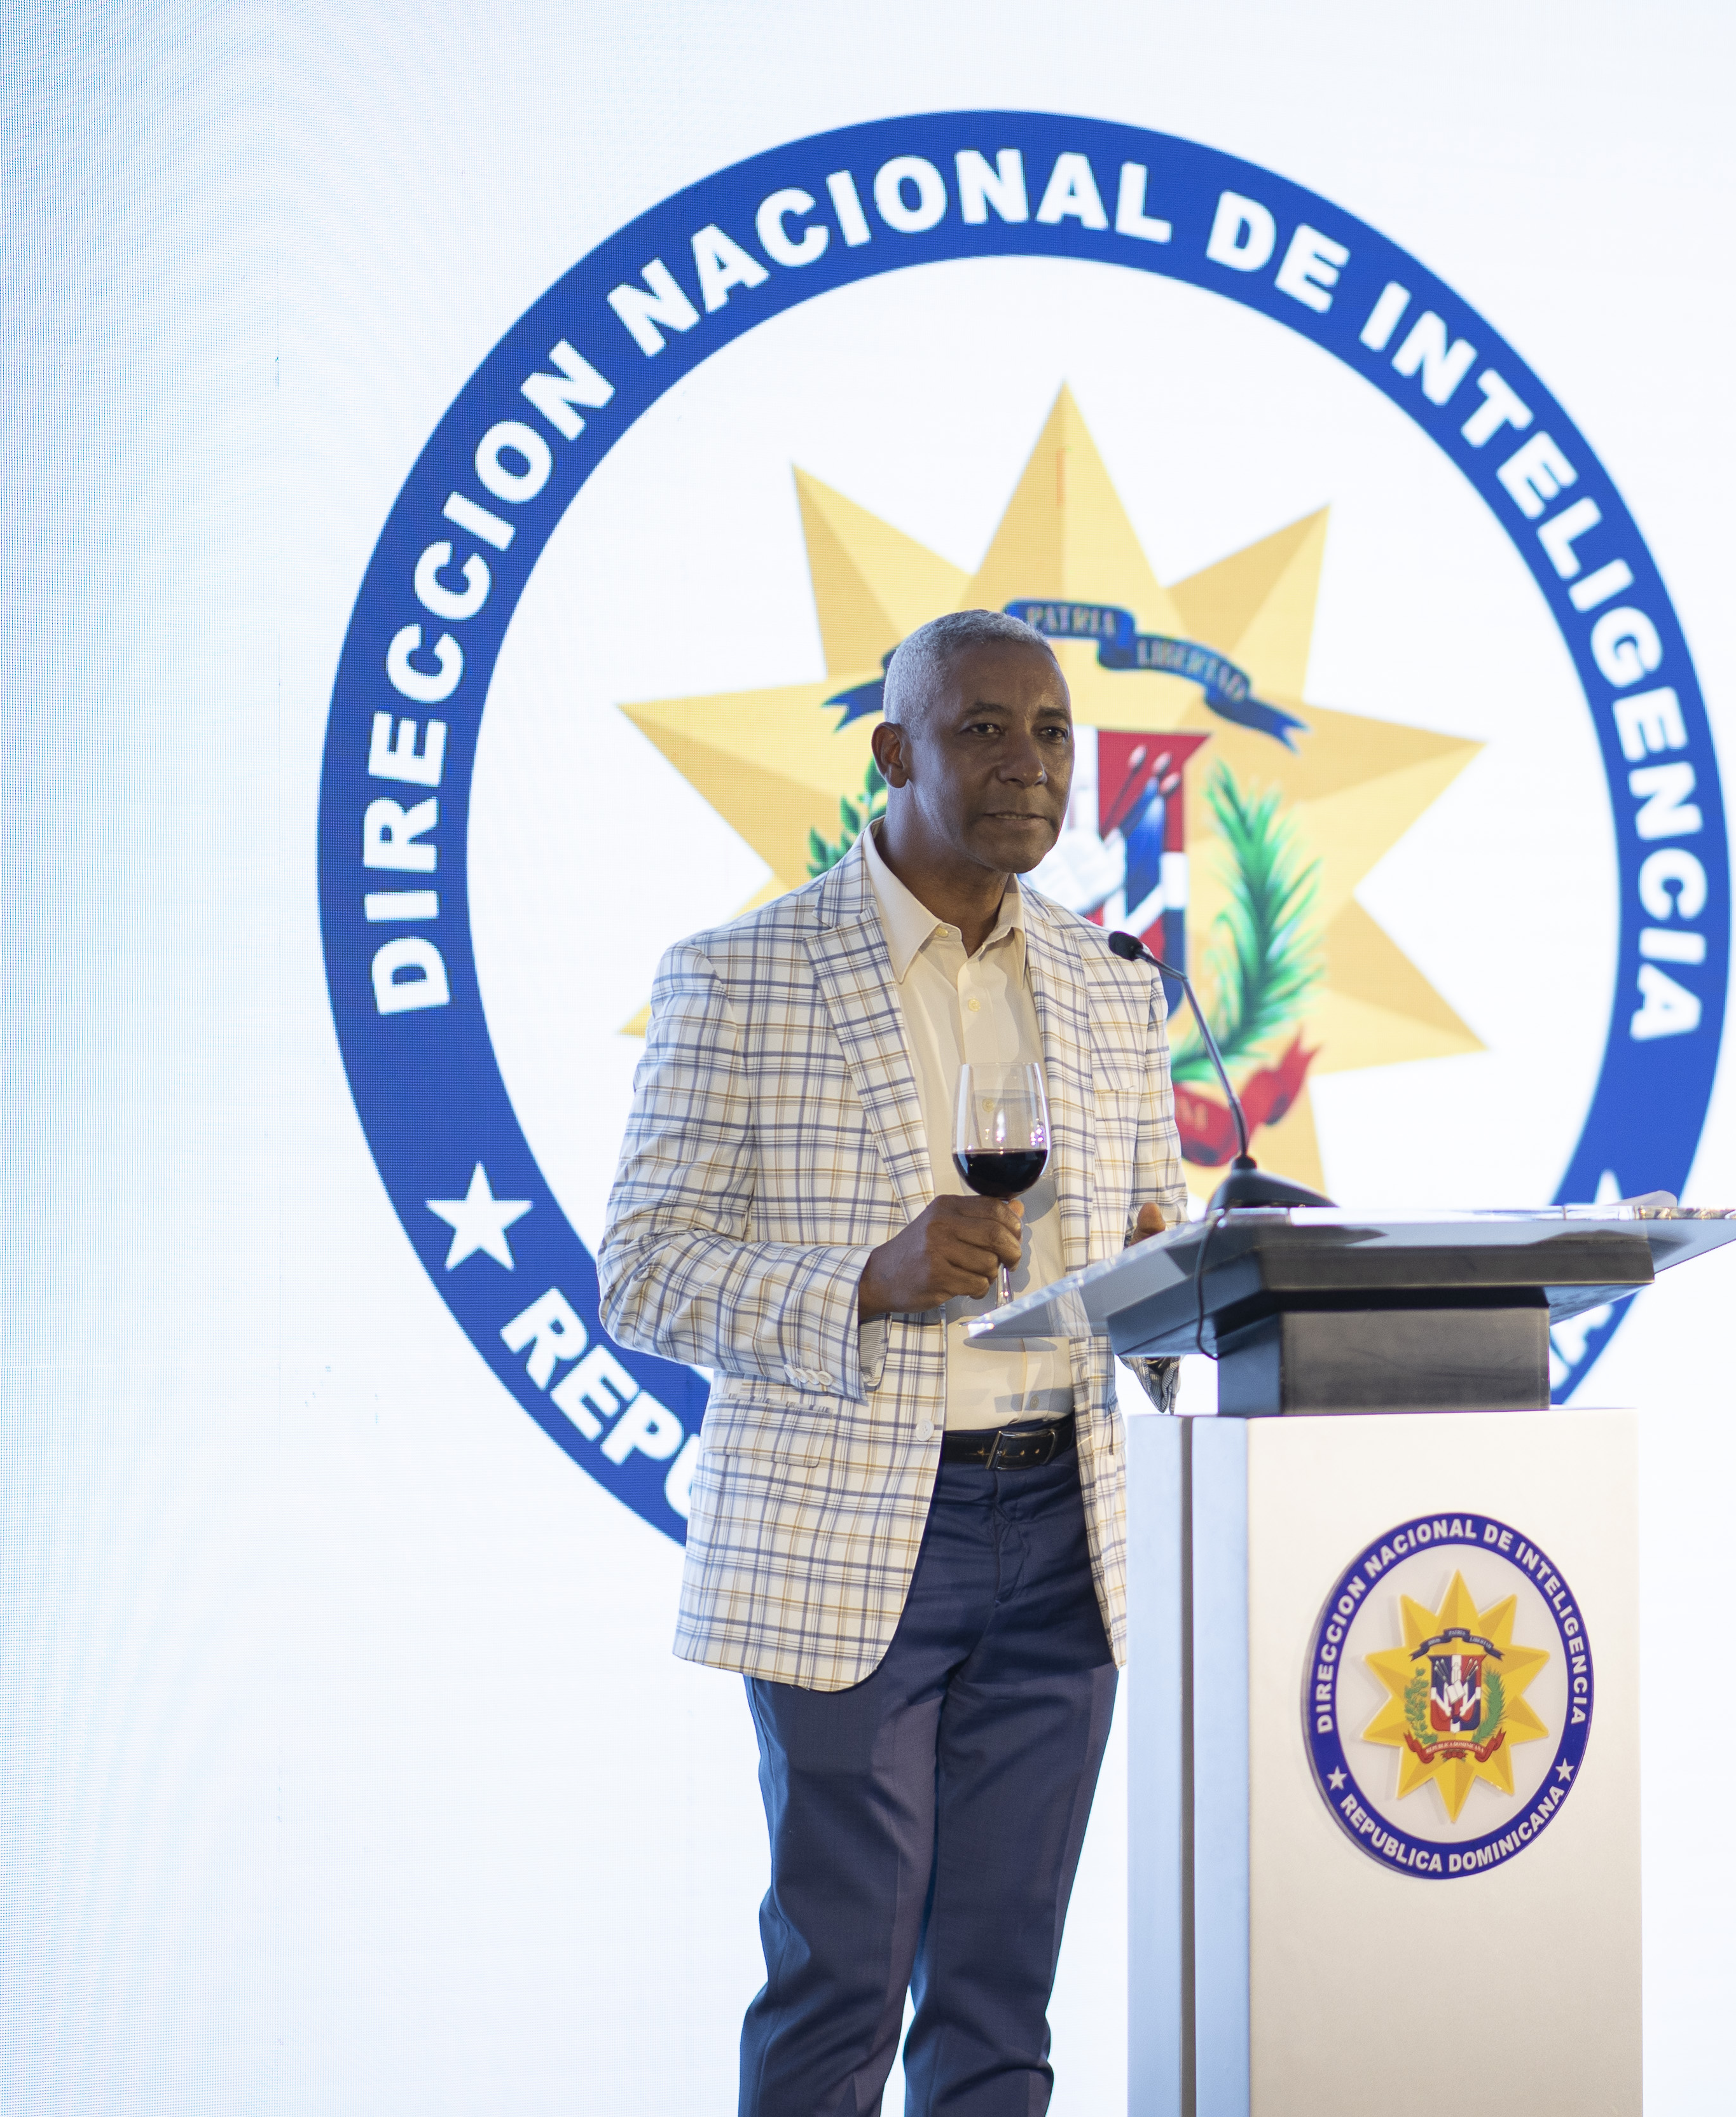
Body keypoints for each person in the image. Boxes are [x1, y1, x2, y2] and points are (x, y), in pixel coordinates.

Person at [598, 607, 1184, 2117]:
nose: (1029, 763)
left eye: (1052, 733)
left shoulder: (1117, 983)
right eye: (984, 728)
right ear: (892, 753)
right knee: (840, 1984)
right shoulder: (742, 974)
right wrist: (867, 1280)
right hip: (851, 1536)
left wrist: (1183, 1276)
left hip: (1064, 1531)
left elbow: (1150, 1236)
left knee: (999, 2000)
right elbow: (640, 1274)